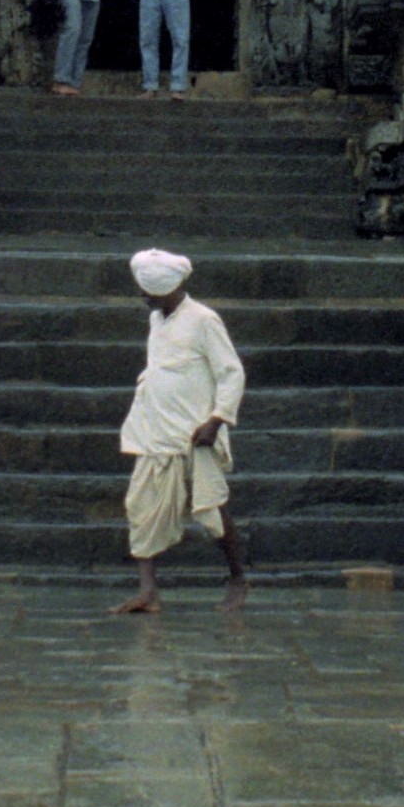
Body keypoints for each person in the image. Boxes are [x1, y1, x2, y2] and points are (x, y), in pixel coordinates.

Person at [115, 246, 248, 613]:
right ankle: (148, 591)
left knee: (212, 508)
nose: (143, 297)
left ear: (165, 289)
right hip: (155, 430)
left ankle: (238, 578)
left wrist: (216, 420)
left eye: (147, 291)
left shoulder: (204, 320)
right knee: (141, 509)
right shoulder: (157, 320)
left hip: (195, 433)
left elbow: (231, 373)